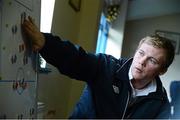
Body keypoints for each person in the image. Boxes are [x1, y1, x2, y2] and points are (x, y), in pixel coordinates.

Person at [22, 16, 175, 119]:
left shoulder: (160, 103)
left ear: (162, 70)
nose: (141, 61)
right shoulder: (107, 66)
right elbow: (77, 59)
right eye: (141, 53)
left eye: (152, 61)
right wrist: (46, 43)